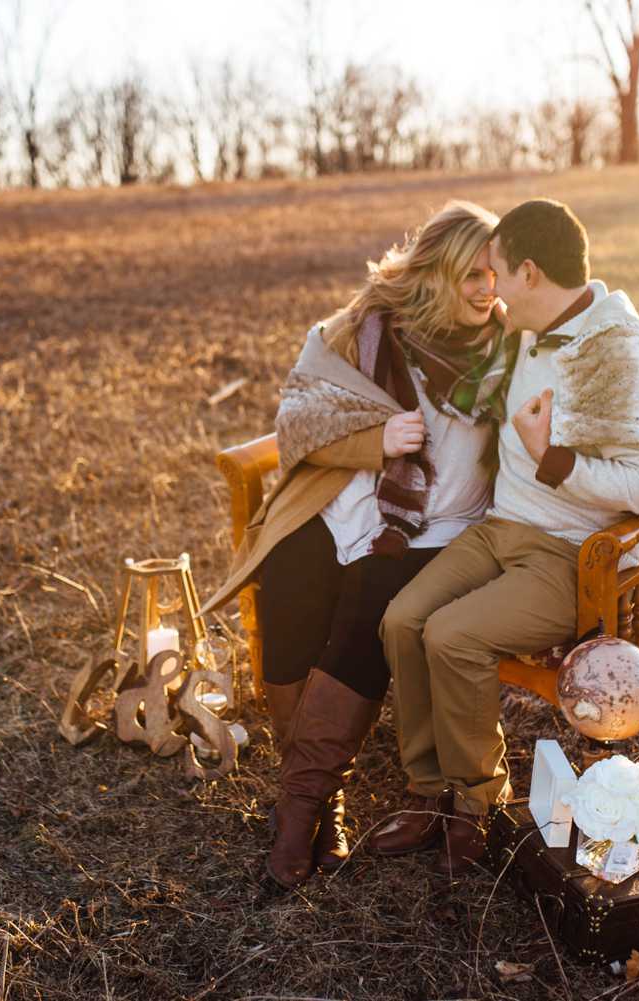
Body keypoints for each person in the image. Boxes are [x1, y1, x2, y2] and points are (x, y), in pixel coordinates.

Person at [368, 198, 639, 876]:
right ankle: (429, 790)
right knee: (402, 618)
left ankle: (477, 802)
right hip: (497, 530)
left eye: (497, 274)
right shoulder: (524, 334)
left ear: (530, 272)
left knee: (452, 635)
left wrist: (555, 458)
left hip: (567, 553)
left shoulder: (620, 347)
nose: (492, 291)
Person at [201, 201, 517, 889]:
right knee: (288, 567)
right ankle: (321, 799)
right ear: (431, 272)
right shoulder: (360, 330)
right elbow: (297, 420)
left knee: (375, 587)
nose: (485, 289)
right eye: (469, 275)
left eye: (492, 274)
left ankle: (300, 807)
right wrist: (376, 441)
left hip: (440, 529)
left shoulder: (508, 347)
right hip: (347, 505)